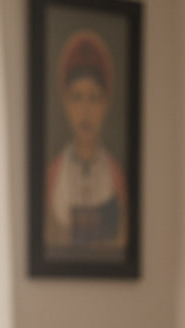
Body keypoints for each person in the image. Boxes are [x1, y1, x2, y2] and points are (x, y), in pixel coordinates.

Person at [45, 29, 128, 254]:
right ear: (65, 102)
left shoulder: (115, 176)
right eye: (77, 97)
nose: (85, 111)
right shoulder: (54, 174)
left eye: (93, 98)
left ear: (105, 104)